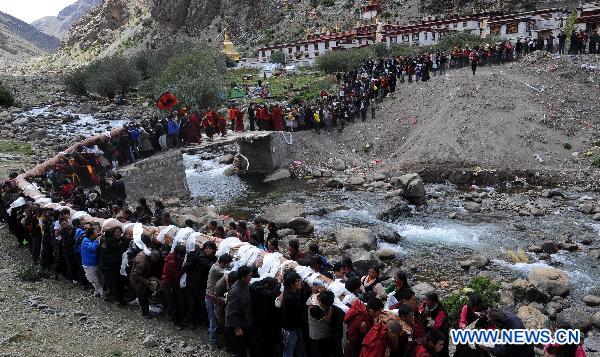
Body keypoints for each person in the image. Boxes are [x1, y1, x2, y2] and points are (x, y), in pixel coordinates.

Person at [185, 241, 217, 329]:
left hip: (202, 283)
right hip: (194, 283)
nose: (207, 250)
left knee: (200, 303)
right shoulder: (201, 256)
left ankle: (200, 321)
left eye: (210, 248)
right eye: (206, 248)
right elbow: (209, 265)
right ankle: (192, 321)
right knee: (194, 303)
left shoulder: (211, 257)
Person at [205, 253, 233, 347]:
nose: (229, 265)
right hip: (211, 297)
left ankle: (212, 334)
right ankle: (213, 340)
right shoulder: (216, 269)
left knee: (213, 318)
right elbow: (228, 274)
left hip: (212, 296)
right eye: (227, 264)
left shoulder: (218, 265)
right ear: (222, 263)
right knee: (213, 319)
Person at [225, 265, 253, 357]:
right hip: (236, 326)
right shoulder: (235, 291)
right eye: (249, 276)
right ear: (243, 277)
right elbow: (231, 312)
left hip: (244, 322)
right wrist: (237, 328)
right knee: (241, 350)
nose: (251, 277)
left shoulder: (245, 285)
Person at [281, 271, 307, 357]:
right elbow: (302, 308)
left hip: (296, 326)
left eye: (300, 280)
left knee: (300, 348)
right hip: (290, 329)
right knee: (289, 350)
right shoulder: (289, 297)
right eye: (297, 281)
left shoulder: (294, 293)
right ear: (292, 284)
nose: (300, 282)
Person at [130, 244, 161, 318]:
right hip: (137, 280)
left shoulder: (149, 254)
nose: (156, 261)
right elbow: (135, 275)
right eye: (155, 260)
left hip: (144, 277)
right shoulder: (142, 262)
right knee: (142, 296)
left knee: (145, 295)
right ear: (151, 257)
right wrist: (146, 281)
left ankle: (146, 309)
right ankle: (145, 313)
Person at [100, 226, 128, 305]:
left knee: (119, 283)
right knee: (114, 282)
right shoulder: (109, 241)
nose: (118, 233)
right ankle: (116, 298)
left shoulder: (122, 240)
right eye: (116, 231)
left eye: (119, 231)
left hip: (120, 265)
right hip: (111, 266)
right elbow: (108, 253)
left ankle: (119, 298)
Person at [162, 245, 186, 328]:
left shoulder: (172, 257)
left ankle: (177, 319)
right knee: (174, 304)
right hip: (169, 284)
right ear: (178, 254)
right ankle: (176, 322)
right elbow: (176, 274)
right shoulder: (171, 262)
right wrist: (185, 267)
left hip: (173, 283)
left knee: (180, 302)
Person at [421, 292, 449, 357]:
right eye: (425, 300)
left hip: (440, 336)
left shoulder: (441, 311)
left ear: (434, 302)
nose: (426, 302)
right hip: (430, 336)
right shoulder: (426, 306)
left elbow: (436, 326)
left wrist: (428, 317)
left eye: (428, 301)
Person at [80, 227, 103, 297]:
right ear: (91, 235)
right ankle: (100, 293)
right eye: (96, 233)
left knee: (98, 278)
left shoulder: (92, 240)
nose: (97, 234)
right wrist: (97, 241)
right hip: (88, 264)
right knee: (93, 279)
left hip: (95, 263)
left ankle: (98, 291)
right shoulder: (85, 241)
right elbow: (92, 248)